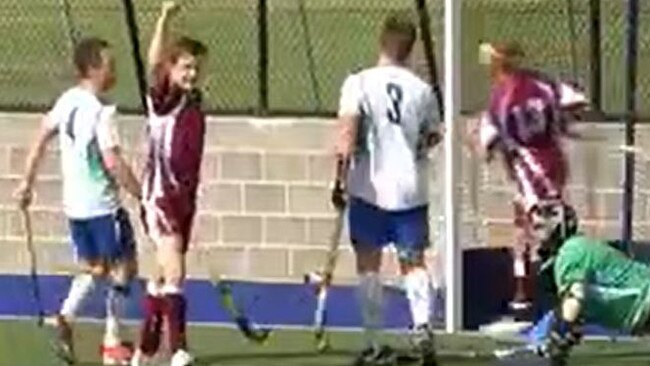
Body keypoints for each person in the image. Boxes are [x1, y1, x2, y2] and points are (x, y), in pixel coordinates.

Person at [13, 37, 142, 365]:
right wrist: (142, 193)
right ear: (94, 69)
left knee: (96, 267)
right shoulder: (102, 112)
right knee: (124, 269)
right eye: (110, 65)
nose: (115, 71)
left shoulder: (68, 100)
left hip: (76, 208)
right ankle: (112, 341)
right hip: (102, 206)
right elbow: (112, 161)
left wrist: (27, 182)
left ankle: (66, 318)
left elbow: (42, 134)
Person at [333, 13, 442, 366]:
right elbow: (433, 135)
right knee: (414, 262)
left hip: (369, 189)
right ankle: (422, 327)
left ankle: (372, 340)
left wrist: (339, 180)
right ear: (410, 50)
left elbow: (346, 137)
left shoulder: (358, 83)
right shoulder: (423, 90)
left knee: (369, 264)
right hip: (410, 188)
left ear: (381, 43)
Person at [470, 42, 588, 316]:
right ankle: (550, 287)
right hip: (554, 163)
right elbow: (577, 101)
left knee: (529, 229)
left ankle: (534, 291)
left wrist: (476, 141)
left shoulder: (501, 98)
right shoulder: (543, 84)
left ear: (499, 66)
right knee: (549, 224)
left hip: (528, 169)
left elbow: (486, 146)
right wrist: (562, 123)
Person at [130, 2, 207, 366]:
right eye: (185, 66)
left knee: (162, 274)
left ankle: (144, 349)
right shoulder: (165, 100)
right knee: (174, 270)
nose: (191, 73)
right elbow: (154, 61)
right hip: (161, 198)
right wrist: (165, 17)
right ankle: (178, 349)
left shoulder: (194, 103)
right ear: (171, 70)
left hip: (183, 199)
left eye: (195, 67)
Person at [526, 201, 650, 365]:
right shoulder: (577, 247)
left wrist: (560, 335)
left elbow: (575, 297)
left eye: (539, 227)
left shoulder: (570, 253)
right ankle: (536, 349)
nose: (533, 235)